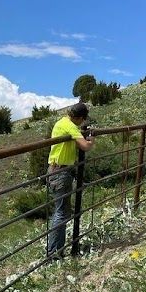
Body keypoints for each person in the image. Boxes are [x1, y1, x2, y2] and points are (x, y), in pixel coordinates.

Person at [46, 102, 94, 258]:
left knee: (62, 212)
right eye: (83, 119)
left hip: (56, 170)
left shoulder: (62, 122)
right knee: (61, 213)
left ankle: (56, 251)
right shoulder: (71, 126)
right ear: (79, 117)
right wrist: (91, 140)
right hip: (61, 172)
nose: (83, 123)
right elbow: (85, 146)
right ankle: (54, 253)